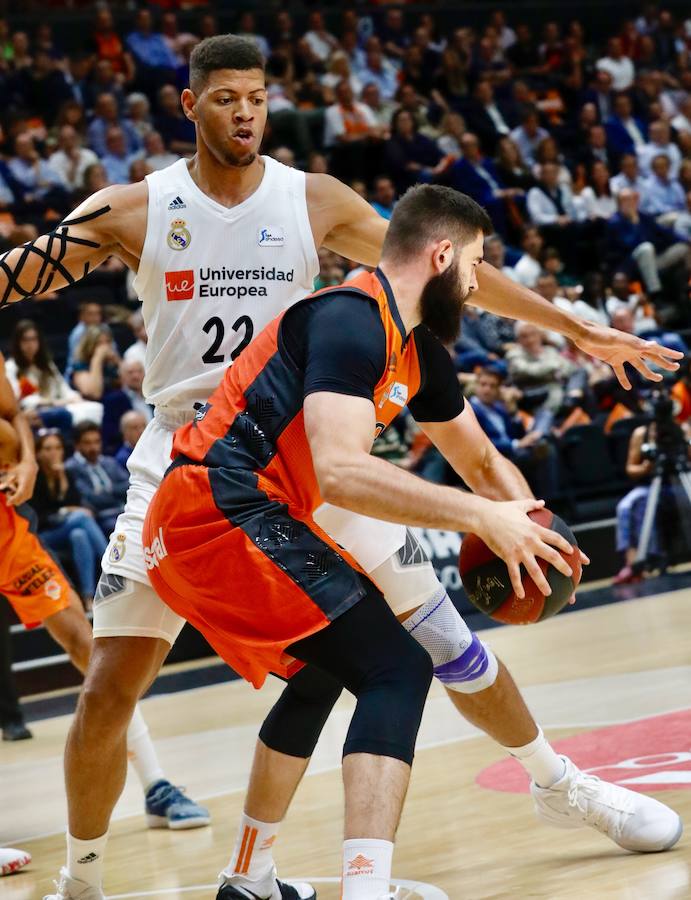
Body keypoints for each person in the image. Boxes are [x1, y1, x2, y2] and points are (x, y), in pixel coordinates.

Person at [0, 34, 681, 900]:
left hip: (312, 447)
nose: (245, 111)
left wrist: (574, 328)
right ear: (190, 105)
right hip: (188, 460)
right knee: (110, 686)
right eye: (225, 98)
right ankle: (83, 879)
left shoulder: (310, 199)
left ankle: (557, 782)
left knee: (435, 639)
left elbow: (453, 268)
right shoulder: (138, 208)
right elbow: (17, 277)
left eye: (256, 96)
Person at [0, 353, 203, 838]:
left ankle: (156, 785)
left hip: (7, 524)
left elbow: (12, 417)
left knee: (87, 646)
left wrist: (27, 462)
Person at [6, 320, 103, 431]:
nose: (30, 344)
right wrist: (54, 402)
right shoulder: (11, 367)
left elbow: (64, 388)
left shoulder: (46, 365)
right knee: (62, 414)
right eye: (26, 340)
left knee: (95, 407)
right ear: (18, 343)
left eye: (33, 339)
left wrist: (75, 397)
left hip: (57, 406)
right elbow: (21, 399)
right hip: (36, 410)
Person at [65, 422, 129, 537]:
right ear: (77, 445)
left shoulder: (109, 462)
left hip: (122, 511)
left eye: (97, 442)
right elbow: (91, 499)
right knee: (120, 529)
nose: (93, 447)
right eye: (87, 443)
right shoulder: (71, 468)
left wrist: (109, 491)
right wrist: (117, 493)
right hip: (99, 517)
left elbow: (130, 486)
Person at [102, 358, 152, 453]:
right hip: (129, 452)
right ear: (121, 376)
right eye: (130, 372)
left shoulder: (153, 398)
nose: (135, 376)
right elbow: (110, 436)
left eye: (139, 371)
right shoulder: (114, 400)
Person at [71, 324, 121, 401]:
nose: (104, 347)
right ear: (89, 345)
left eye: (108, 342)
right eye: (99, 343)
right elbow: (95, 394)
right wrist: (97, 359)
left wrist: (118, 362)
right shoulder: (80, 367)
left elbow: (131, 388)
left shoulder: (111, 364)